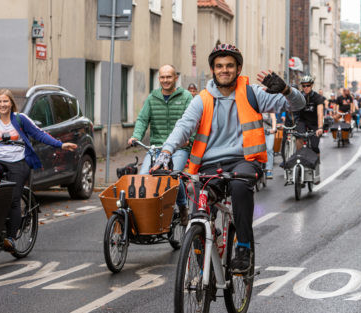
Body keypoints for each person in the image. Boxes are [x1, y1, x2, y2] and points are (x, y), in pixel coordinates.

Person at [151, 43, 305, 273]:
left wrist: (286, 90)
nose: (225, 70)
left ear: (239, 68)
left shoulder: (254, 93)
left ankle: (243, 247)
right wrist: (166, 152)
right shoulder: (202, 99)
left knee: (240, 187)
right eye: (219, 66)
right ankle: (205, 251)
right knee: (200, 201)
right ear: (213, 69)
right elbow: (183, 126)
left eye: (230, 65)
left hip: (245, 159)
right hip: (210, 164)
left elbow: (298, 105)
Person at [0, 89, 77, 251]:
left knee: (14, 199)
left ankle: (10, 237)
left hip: (19, 162)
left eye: (5, 101)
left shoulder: (20, 119)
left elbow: (39, 134)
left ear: (11, 103)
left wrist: (60, 144)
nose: (2, 105)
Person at [127, 64, 193, 225]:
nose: (165, 80)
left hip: (179, 148)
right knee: (143, 178)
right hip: (156, 147)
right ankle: (145, 214)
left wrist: (189, 140)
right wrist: (136, 136)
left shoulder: (186, 97)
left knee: (171, 177)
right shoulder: (152, 98)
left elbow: (194, 121)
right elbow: (143, 119)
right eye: (162, 77)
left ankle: (183, 206)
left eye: (169, 77)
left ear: (175, 78)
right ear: (159, 79)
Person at [296, 75, 324, 163]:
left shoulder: (317, 97)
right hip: (302, 121)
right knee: (299, 137)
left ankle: (317, 162)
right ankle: (299, 158)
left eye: (308, 85)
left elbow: (320, 113)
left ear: (311, 86)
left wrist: (320, 128)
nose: (306, 88)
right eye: (303, 86)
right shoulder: (299, 96)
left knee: (314, 146)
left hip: (314, 122)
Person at [262, 113, 277, 179]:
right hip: (258, 131)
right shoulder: (255, 106)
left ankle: (269, 170)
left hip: (269, 131)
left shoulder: (269, 107)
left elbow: (273, 119)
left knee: (269, 149)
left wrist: (273, 129)